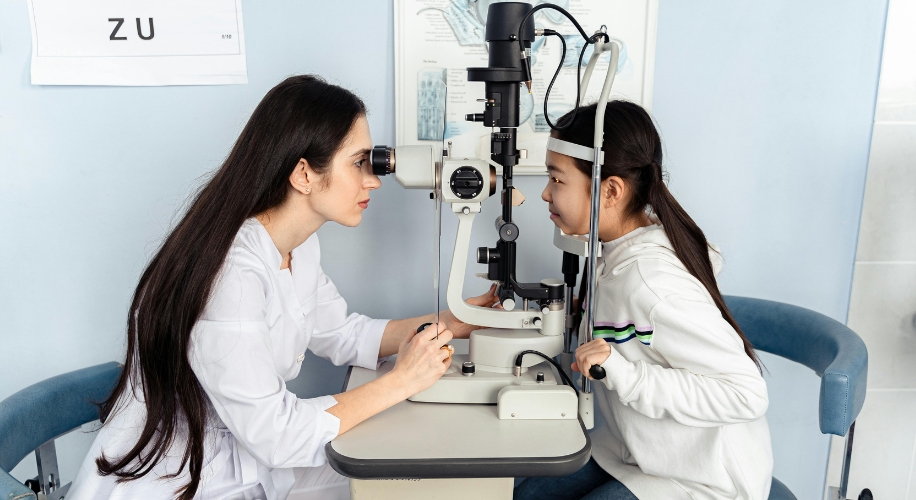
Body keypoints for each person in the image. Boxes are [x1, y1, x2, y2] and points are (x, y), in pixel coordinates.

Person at [67, 75, 497, 500]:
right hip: (179, 481)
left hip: (244, 461)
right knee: (401, 483)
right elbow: (277, 435)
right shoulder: (231, 275)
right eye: (358, 163)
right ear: (304, 175)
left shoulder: (299, 246)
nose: (373, 180)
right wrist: (402, 381)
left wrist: (457, 321)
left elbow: (343, 333)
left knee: (413, 478)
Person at [515, 101, 772, 500]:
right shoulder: (610, 258)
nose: (545, 193)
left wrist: (626, 375)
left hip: (700, 480)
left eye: (557, 179)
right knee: (520, 494)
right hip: (633, 454)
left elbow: (746, 394)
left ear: (611, 190)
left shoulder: (650, 282)